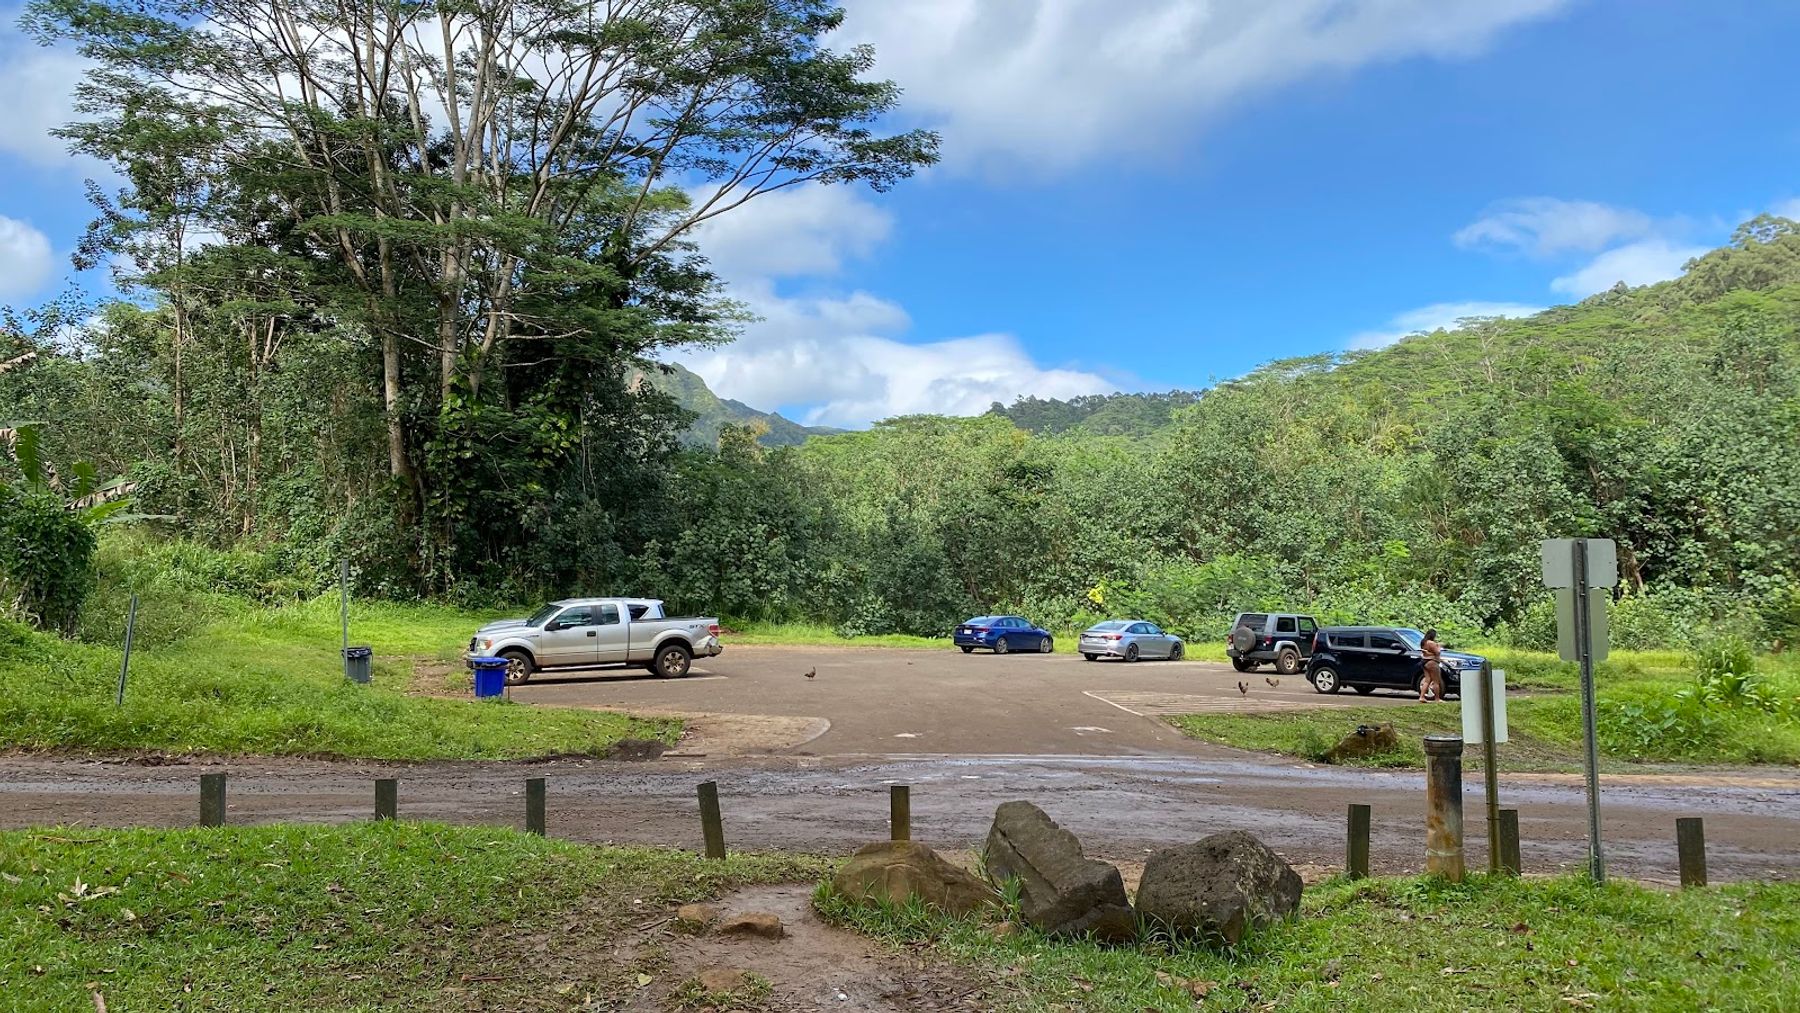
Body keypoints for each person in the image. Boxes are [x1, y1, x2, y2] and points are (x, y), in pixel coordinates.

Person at [1419, 628, 1444, 702]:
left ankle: (1422, 697)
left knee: (1427, 680)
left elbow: (1426, 652)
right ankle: (1437, 698)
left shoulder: (1423, 642)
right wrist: (1439, 646)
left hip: (1424, 661)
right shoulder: (1431, 643)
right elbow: (1437, 652)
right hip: (1432, 662)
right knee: (1436, 681)